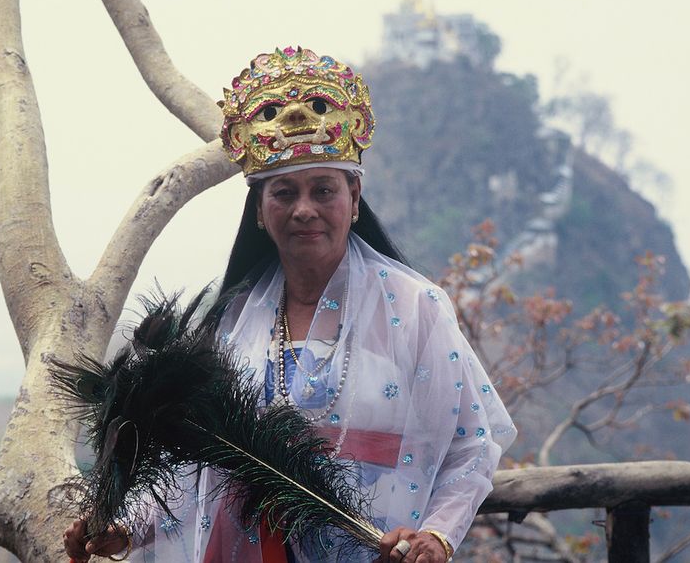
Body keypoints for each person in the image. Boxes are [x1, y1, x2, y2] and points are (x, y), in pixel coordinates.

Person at [65, 46, 515, 563]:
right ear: (260, 209)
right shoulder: (229, 319)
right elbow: (200, 459)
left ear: (354, 197)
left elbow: (472, 444)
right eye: (284, 193)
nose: (304, 210)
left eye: (323, 190)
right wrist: (126, 527)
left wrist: (437, 534)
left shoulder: (416, 309)